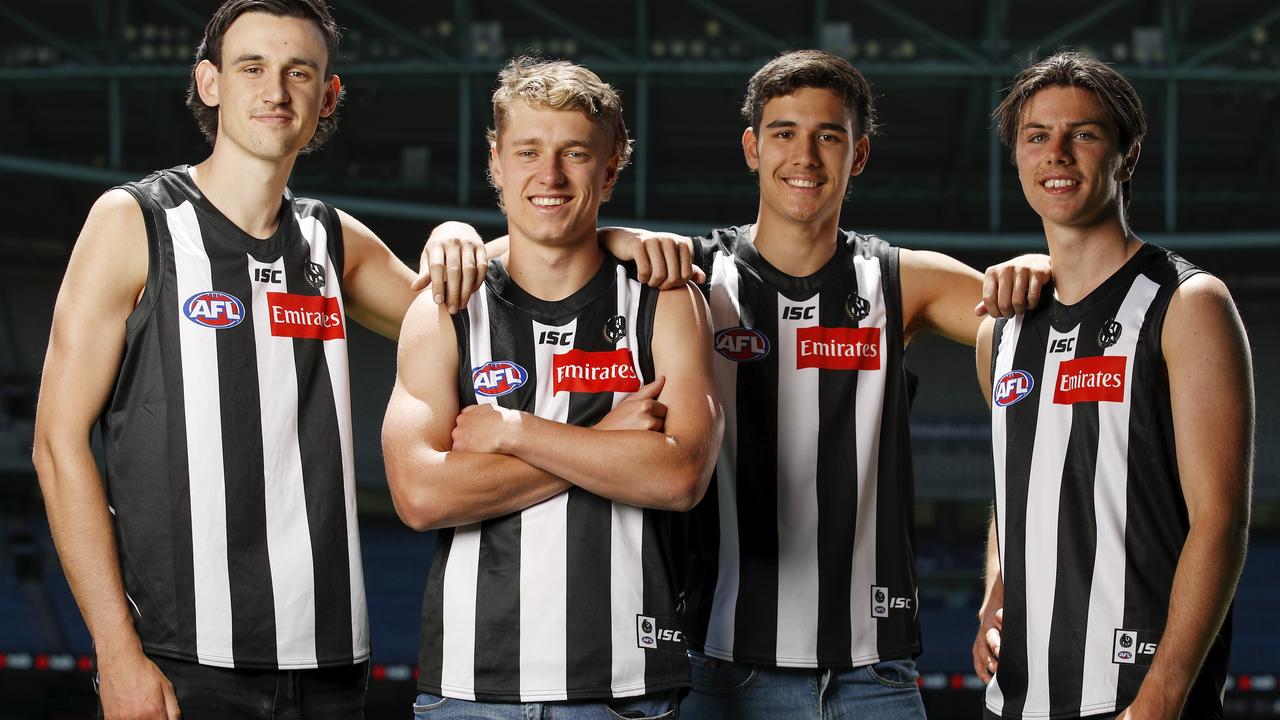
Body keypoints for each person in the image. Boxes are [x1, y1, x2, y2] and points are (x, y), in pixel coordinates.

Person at [427, 50, 1049, 719]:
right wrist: (458, 238)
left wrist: (1041, 267)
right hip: (715, 667)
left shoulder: (903, 281)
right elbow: (545, 237)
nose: (804, 157)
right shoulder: (686, 271)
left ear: (858, 156)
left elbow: (1034, 363)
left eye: (828, 136)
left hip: (873, 673)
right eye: (783, 133)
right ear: (752, 147)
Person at [30, 1, 486, 717]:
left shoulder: (334, 241)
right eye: (252, 68)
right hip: (180, 661)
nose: (276, 91)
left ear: (328, 97)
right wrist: (115, 654)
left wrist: (474, 237)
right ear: (209, 83)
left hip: (333, 659)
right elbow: (57, 447)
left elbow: (483, 323)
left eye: (298, 72)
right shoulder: (133, 222)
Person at [381, 57, 723, 718]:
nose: (551, 175)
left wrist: (516, 432)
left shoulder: (663, 300)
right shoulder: (445, 307)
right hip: (469, 692)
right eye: (529, 151)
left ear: (612, 166)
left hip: (624, 690)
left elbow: (679, 476)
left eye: (575, 153)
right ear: (496, 161)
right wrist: (602, 443)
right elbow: (421, 495)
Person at [972, 52, 1253, 720]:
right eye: (1037, 136)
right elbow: (1020, 480)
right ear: (1017, 158)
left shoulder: (1189, 306)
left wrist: (1159, 699)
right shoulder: (1000, 333)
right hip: (1015, 699)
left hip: (1136, 699)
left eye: (1085, 134)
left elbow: (1221, 521)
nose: (1057, 153)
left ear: (1127, 156)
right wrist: (997, 582)